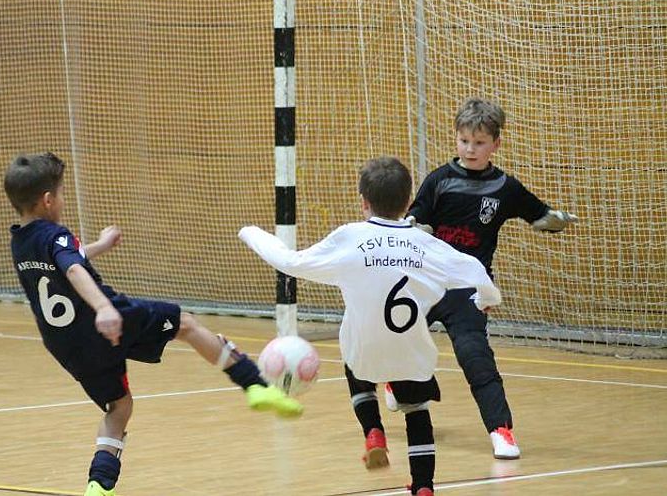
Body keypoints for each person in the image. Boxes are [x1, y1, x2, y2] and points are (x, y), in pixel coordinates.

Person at [4, 152, 302, 496]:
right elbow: (71, 268)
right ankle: (255, 385)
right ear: (47, 200)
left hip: (65, 344)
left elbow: (66, 259)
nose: (62, 200)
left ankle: (99, 486)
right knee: (186, 324)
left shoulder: (20, 242)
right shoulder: (56, 235)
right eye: (61, 194)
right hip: (107, 320)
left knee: (119, 407)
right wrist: (103, 308)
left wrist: (100, 245)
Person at [239, 156, 502, 496]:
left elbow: (291, 262)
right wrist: (485, 298)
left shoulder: (350, 237)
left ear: (363, 201)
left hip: (365, 352)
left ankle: (373, 430)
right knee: (416, 411)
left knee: (354, 358)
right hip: (411, 352)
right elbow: (474, 270)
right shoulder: (426, 244)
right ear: (408, 201)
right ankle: (423, 486)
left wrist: (251, 232)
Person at [385, 97, 578, 460]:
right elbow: (418, 216)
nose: (470, 149)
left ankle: (501, 431)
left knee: (475, 356)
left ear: (495, 144)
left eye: (479, 142)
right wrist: (412, 226)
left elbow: (538, 214)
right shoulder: (439, 180)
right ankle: (401, 386)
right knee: (395, 335)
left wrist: (554, 220)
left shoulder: (505, 188)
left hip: (468, 290)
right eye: (464, 141)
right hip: (426, 282)